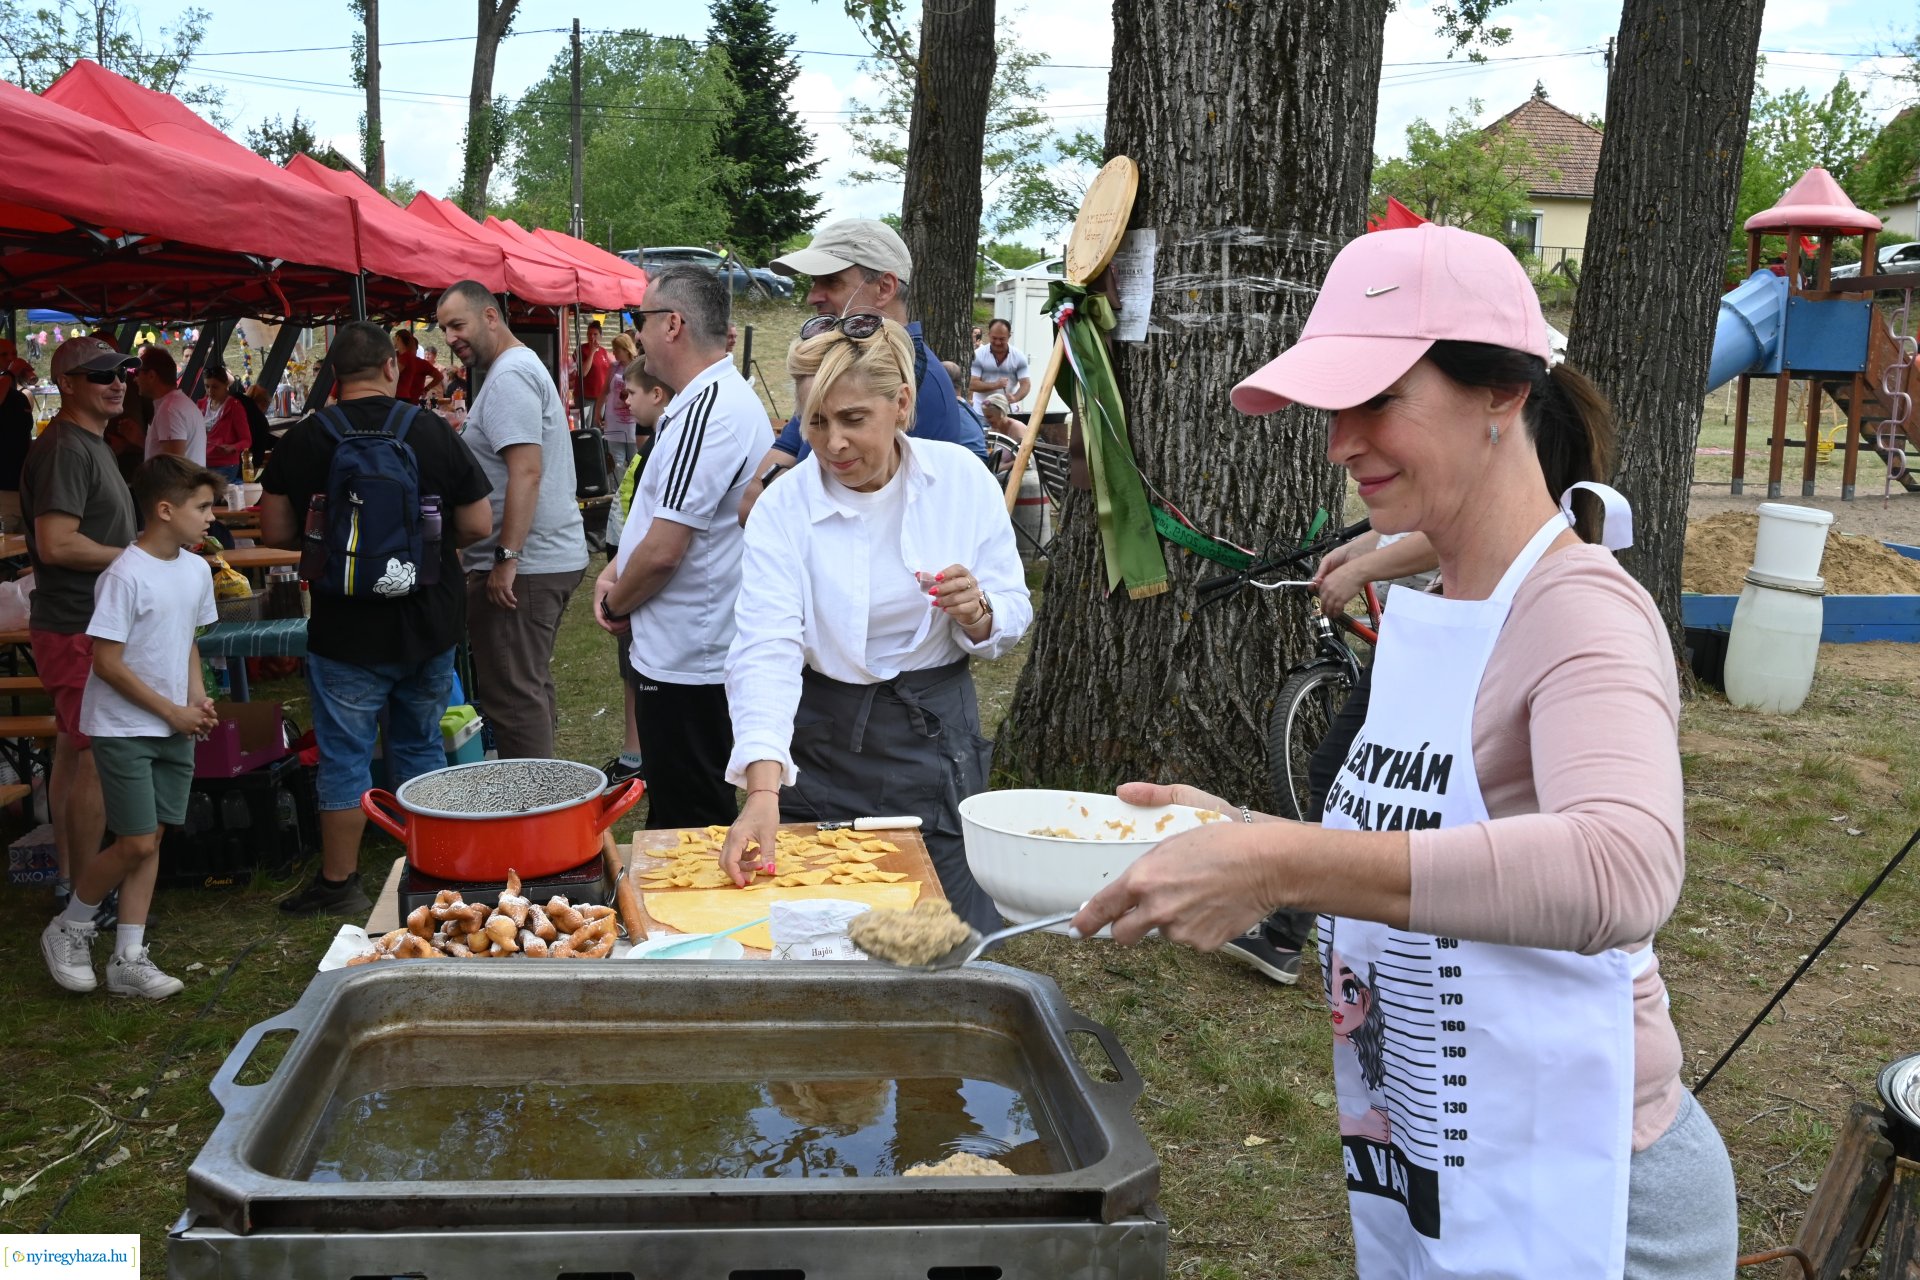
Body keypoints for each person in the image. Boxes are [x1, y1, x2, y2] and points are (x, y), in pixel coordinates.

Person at [1070, 225, 1736, 1277]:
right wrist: (1241, 834)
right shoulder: (1441, 603)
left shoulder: (1581, 609)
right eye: (1337, 406)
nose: (1342, 439)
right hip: (1438, 1152)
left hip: (1593, 1192)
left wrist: (1286, 863)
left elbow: (1625, 868)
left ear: (1501, 395)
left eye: (1379, 398)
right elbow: (1423, 837)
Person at [718, 317, 1032, 932]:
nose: (832, 444)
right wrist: (761, 793)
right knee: (823, 927)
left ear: (902, 404)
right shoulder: (785, 507)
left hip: (935, 735)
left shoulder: (961, 480)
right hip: (823, 737)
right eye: (815, 422)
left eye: (853, 419)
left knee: (944, 929)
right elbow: (765, 647)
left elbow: (1012, 611)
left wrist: (980, 612)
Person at [260, 321, 494, 916]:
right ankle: (430, 867)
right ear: (393, 367)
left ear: (332, 376)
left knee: (345, 755)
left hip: (344, 630)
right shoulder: (433, 432)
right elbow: (476, 526)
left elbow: (276, 531)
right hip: (427, 624)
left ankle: (340, 882)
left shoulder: (306, 438)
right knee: (419, 745)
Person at [39, 455, 222, 999]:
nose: (213, 516)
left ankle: (128, 957)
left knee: (153, 838)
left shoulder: (194, 569)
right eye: (203, 507)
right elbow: (107, 662)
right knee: (136, 840)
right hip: (123, 728)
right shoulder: (124, 574)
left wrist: (196, 698)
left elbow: (185, 639)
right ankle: (70, 927)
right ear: (165, 510)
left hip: (174, 725)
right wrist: (170, 712)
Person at [591, 266, 761, 828]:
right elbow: (659, 515)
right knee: (680, 814)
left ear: (673, 324)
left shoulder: (707, 411)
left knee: (689, 826)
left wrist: (618, 603)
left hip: (690, 661)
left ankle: (692, 922)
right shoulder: (705, 401)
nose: (634, 332)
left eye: (639, 320)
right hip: (690, 651)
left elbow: (666, 549)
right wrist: (616, 567)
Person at [738, 219, 986, 523]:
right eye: (819, 421)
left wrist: (783, 486)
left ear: (884, 287)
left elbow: (856, 522)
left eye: (830, 281)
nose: (812, 296)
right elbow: (752, 505)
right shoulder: (833, 375)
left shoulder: (911, 379)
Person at [435, 280, 587, 760]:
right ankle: (549, 804)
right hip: (537, 562)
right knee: (528, 687)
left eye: (457, 324)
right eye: (442, 328)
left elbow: (526, 470)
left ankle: (535, 812)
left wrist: (506, 557)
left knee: (513, 699)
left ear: (491, 317)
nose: (450, 337)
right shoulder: (513, 371)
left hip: (526, 567)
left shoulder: (509, 376)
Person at [20, 337, 139, 915]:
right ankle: (89, 894)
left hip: (80, 622)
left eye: (123, 372)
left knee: (73, 749)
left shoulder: (88, 442)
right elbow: (57, 543)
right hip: (74, 625)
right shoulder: (67, 447)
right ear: (67, 384)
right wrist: (138, 558)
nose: (117, 382)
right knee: (92, 751)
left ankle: (71, 879)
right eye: (100, 375)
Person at [599, 358, 672, 787]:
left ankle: (638, 755)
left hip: (637, 582)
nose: (624, 400)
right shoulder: (656, 442)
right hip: (627, 568)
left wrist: (616, 594)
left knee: (636, 671)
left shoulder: (664, 446)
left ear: (657, 395)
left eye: (631, 392)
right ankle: (638, 752)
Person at [136, 347, 205, 464]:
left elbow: (175, 467)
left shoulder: (169, 410)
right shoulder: (179, 404)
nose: (135, 378)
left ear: (151, 375)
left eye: (138, 372)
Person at [0, 338, 36, 523]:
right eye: (4, 355)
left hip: (21, 484)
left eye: (14, 353)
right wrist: (10, 373)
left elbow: (25, 435)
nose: (11, 359)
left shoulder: (19, 397)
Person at [198, 366, 252, 490]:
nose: (210, 391)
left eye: (215, 387)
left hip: (225, 465)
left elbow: (246, 440)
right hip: (202, 462)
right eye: (207, 386)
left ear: (226, 385)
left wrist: (233, 447)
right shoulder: (200, 405)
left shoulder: (234, 407)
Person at [969, 318, 1031, 412]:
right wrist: (995, 385)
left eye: (1002, 339)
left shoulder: (1019, 356)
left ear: (1009, 336)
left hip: (1008, 412)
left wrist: (1015, 398)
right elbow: (972, 384)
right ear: (989, 335)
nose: (998, 342)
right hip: (982, 412)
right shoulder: (978, 355)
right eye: (994, 338)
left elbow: (1026, 384)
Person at [602, 331, 640, 477]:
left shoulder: (638, 366)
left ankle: (633, 494)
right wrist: (598, 412)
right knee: (616, 462)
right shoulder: (613, 367)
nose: (614, 352)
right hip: (614, 421)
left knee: (634, 460)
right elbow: (604, 391)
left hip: (633, 421)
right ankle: (619, 495)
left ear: (626, 349)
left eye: (616, 349)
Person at [575, 318, 614, 430]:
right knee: (585, 426)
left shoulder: (603, 351)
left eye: (595, 334)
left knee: (597, 425)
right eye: (589, 334)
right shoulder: (581, 349)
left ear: (600, 336)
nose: (592, 337)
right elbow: (583, 373)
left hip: (600, 396)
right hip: (585, 396)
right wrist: (592, 352)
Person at [392, 328, 444, 406]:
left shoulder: (410, 359)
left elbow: (439, 376)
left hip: (403, 398)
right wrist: (426, 389)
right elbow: (439, 376)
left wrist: (426, 389)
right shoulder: (399, 356)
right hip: (405, 399)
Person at [240, 382, 275, 472]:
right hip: (244, 466)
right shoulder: (260, 421)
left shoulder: (238, 409)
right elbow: (257, 458)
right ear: (263, 404)